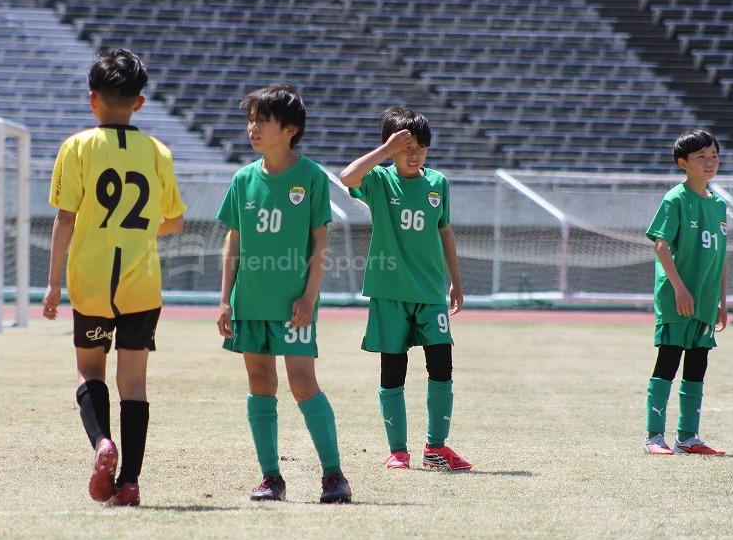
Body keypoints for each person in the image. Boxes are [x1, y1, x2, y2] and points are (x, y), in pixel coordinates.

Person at [42, 48, 186, 506]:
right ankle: (130, 483)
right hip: (142, 283)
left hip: (91, 278)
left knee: (89, 369)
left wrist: (53, 284)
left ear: (92, 100)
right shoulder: (158, 151)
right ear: (139, 103)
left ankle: (102, 441)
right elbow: (175, 221)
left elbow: (65, 219)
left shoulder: (78, 146)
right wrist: (143, 230)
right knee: (135, 383)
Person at [216, 84, 351, 503]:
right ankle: (271, 478)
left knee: (303, 383)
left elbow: (321, 243)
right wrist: (225, 298)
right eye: (250, 119)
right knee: (260, 382)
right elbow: (234, 242)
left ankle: (333, 475)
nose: (252, 127)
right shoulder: (243, 179)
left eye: (262, 120)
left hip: (294, 304)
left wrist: (309, 297)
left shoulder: (311, 177)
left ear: (289, 129)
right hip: (250, 303)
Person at [339, 107, 471, 472]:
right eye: (405, 146)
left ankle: (436, 448)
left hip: (430, 292)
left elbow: (444, 231)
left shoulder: (437, 184)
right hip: (390, 292)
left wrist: (456, 281)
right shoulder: (380, 180)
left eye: (421, 147)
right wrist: (384, 151)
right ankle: (398, 451)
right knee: (393, 369)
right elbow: (347, 176)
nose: (414, 154)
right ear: (391, 147)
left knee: (442, 366)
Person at [643, 127, 727, 456]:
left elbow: (721, 256)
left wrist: (722, 300)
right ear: (683, 162)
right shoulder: (675, 199)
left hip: (706, 301)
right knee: (668, 361)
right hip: (678, 298)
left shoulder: (719, 204)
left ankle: (688, 437)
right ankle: (653, 438)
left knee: (697, 365)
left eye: (714, 156)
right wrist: (679, 288)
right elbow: (661, 247)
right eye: (701, 157)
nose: (710, 162)